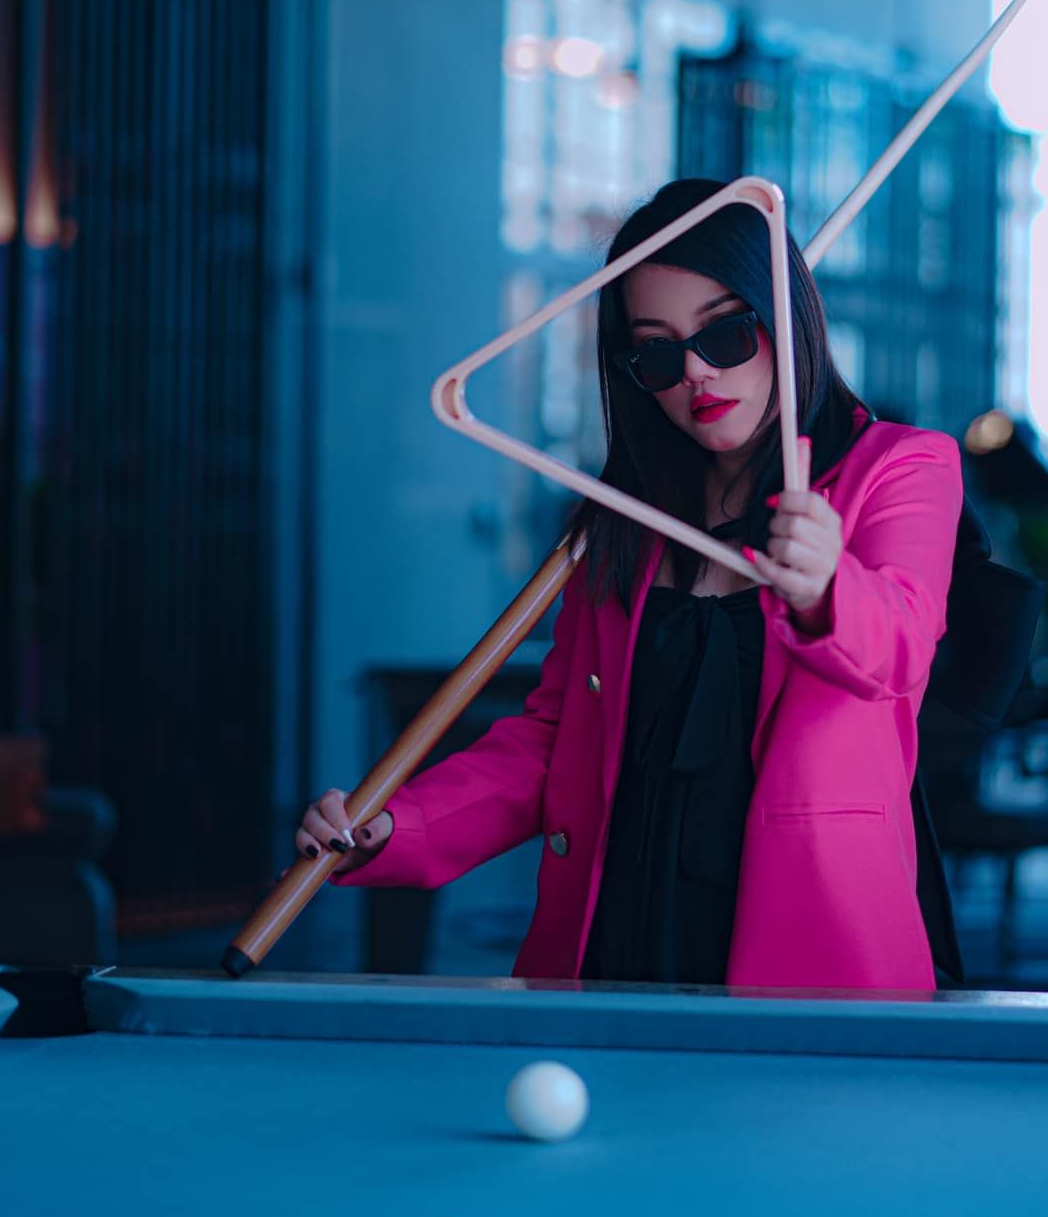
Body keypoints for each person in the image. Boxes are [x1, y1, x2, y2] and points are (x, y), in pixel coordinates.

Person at [296, 178, 963, 991]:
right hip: (623, 928)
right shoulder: (623, 516)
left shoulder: (899, 466)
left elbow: (901, 646)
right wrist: (399, 827)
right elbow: (555, 741)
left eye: (726, 333)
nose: (695, 373)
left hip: (812, 942)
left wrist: (827, 585)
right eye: (657, 353)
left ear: (785, 319)